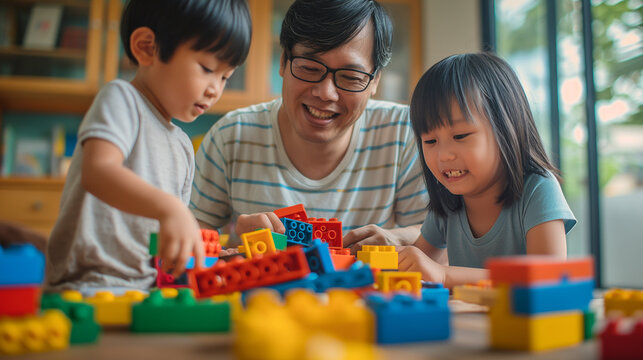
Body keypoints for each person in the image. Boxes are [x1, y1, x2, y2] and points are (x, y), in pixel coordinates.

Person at [45, 0, 252, 292]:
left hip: (146, 288)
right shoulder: (121, 99)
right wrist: (169, 209)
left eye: (225, 77)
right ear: (147, 48)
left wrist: (227, 249)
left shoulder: (181, 145)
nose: (215, 89)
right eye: (207, 68)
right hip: (88, 284)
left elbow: (176, 233)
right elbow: (99, 171)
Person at [190, 0, 429, 249]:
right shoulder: (231, 136)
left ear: (375, 81)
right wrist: (239, 244)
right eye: (309, 68)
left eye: (350, 77)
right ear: (283, 61)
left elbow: (436, 238)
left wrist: (397, 238)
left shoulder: (404, 133)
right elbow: (186, 243)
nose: (326, 93)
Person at [397, 53, 576, 288]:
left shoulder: (538, 189)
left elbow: (549, 279)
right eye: (430, 141)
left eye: (460, 136)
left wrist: (445, 275)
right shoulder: (448, 202)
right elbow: (420, 266)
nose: (443, 155)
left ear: (506, 127)